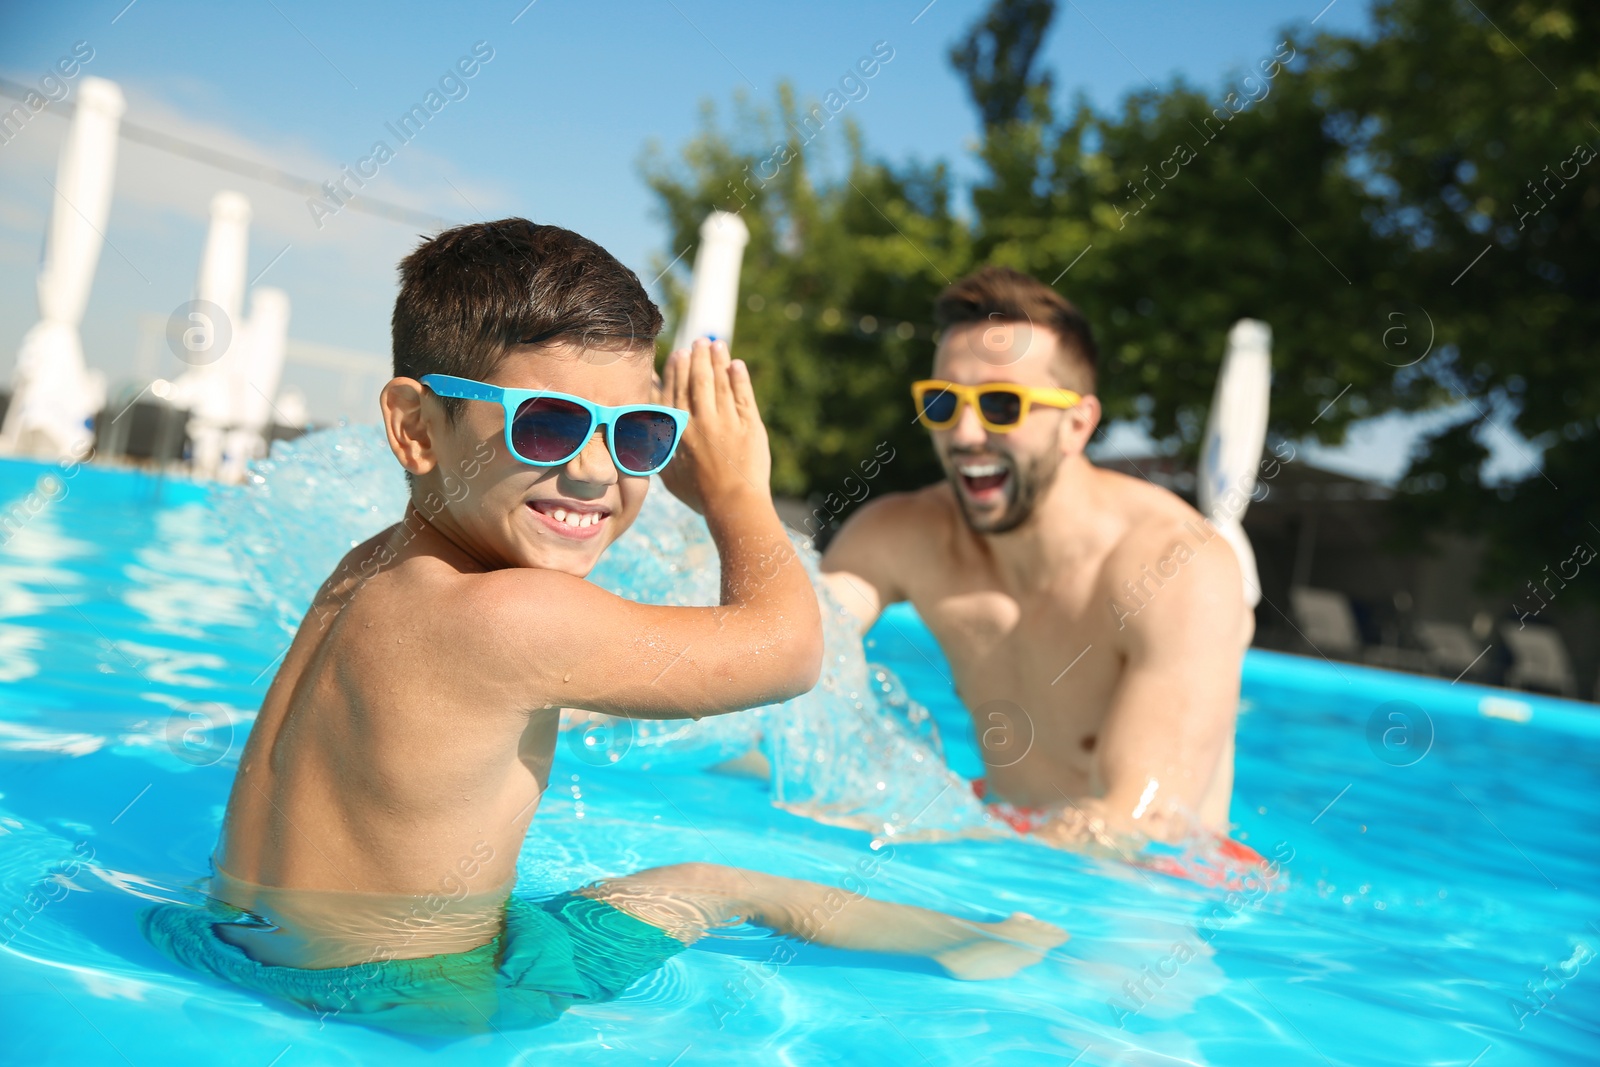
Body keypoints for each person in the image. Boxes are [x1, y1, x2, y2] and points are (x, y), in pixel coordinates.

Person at [141, 223, 1064, 1037]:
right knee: (726, 881)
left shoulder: (370, 569)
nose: (594, 472)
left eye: (639, 437)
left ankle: (978, 942)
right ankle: (997, 944)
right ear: (416, 427)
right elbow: (789, 654)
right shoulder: (514, 614)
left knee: (693, 879)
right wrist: (737, 495)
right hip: (419, 1003)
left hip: (229, 945)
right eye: (546, 425)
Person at [821, 267, 1256, 872]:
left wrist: (941, 852)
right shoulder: (907, 534)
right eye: (944, 403)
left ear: (1077, 424)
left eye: (1002, 405)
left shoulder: (1175, 565)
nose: (966, 433)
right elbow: (790, 645)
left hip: (1157, 883)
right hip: (1005, 834)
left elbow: (1141, 821)